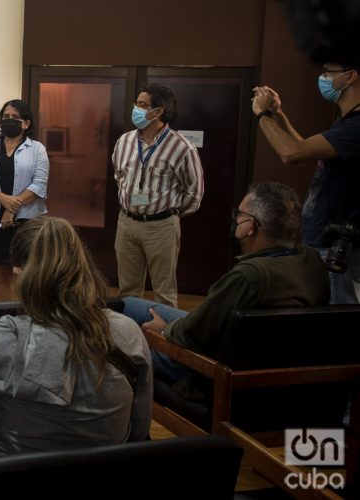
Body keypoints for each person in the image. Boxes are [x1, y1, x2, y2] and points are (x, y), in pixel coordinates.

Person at [0, 216, 152, 457]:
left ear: (19, 270)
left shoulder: (2, 338)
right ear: (82, 263)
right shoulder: (129, 334)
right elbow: (139, 430)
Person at [122, 182, 330, 398]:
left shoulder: (247, 277)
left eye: (239, 215)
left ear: (251, 226)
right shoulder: (311, 261)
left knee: (116, 340)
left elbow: (191, 334)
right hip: (257, 357)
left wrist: (164, 331)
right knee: (128, 304)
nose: (235, 220)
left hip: (204, 369)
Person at [251, 63, 360, 304]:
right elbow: (305, 153)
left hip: (338, 250)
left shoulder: (356, 126)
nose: (322, 78)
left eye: (328, 72)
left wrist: (262, 114)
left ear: (350, 76)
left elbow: (291, 154)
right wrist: (279, 114)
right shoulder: (345, 122)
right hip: (321, 244)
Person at [112, 83, 204, 308]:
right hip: (126, 223)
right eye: (136, 103)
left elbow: (195, 192)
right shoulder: (124, 141)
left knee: (164, 293)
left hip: (161, 226)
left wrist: (170, 214)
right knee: (128, 292)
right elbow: (119, 176)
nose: (136, 108)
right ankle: (131, 338)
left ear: (158, 111)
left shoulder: (182, 147)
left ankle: (163, 340)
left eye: (142, 105)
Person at [0, 99, 49, 302]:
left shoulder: (37, 150)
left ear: (26, 123)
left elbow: (39, 185)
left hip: (28, 220)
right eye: (6, 117)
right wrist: (3, 199)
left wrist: (11, 209)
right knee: (1, 275)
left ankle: (25, 322)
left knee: (26, 274)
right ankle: (2, 323)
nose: (9, 120)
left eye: (15, 117)